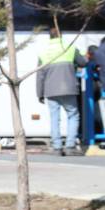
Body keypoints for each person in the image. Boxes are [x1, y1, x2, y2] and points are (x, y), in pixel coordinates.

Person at [36, 26, 86, 155]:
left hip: (51, 91)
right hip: (69, 89)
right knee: (73, 115)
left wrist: (39, 94)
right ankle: (70, 146)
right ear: (61, 36)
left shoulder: (43, 52)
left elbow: (40, 76)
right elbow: (83, 62)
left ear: (50, 37)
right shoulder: (70, 48)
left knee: (54, 118)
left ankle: (57, 148)